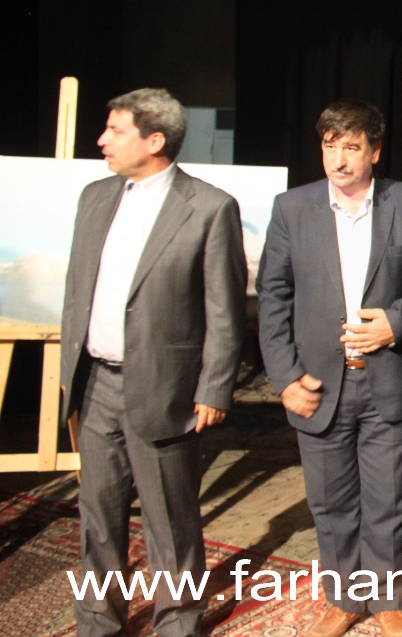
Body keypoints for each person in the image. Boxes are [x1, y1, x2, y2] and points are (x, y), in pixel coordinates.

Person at [258, 100, 402, 637]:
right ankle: (344, 598)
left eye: (351, 147)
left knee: (389, 497)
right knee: (331, 501)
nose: (338, 160)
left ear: (375, 151)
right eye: (329, 146)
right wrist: (284, 377)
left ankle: (388, 599)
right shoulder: (292, 208)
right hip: (318, 382)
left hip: (388, 376)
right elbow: (273, 296)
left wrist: (397, 321)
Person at [59, 88, 246, 637]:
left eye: (115, 131)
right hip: (95, 383)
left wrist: (214, 386)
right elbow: (77, 291)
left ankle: (177, 622)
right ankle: (98, 621)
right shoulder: (94, 197)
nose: (102, 140)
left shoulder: (209, 207)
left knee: (170, 520)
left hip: (166, 388)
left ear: (155, 140)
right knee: (98, 516)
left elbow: (225, 310)